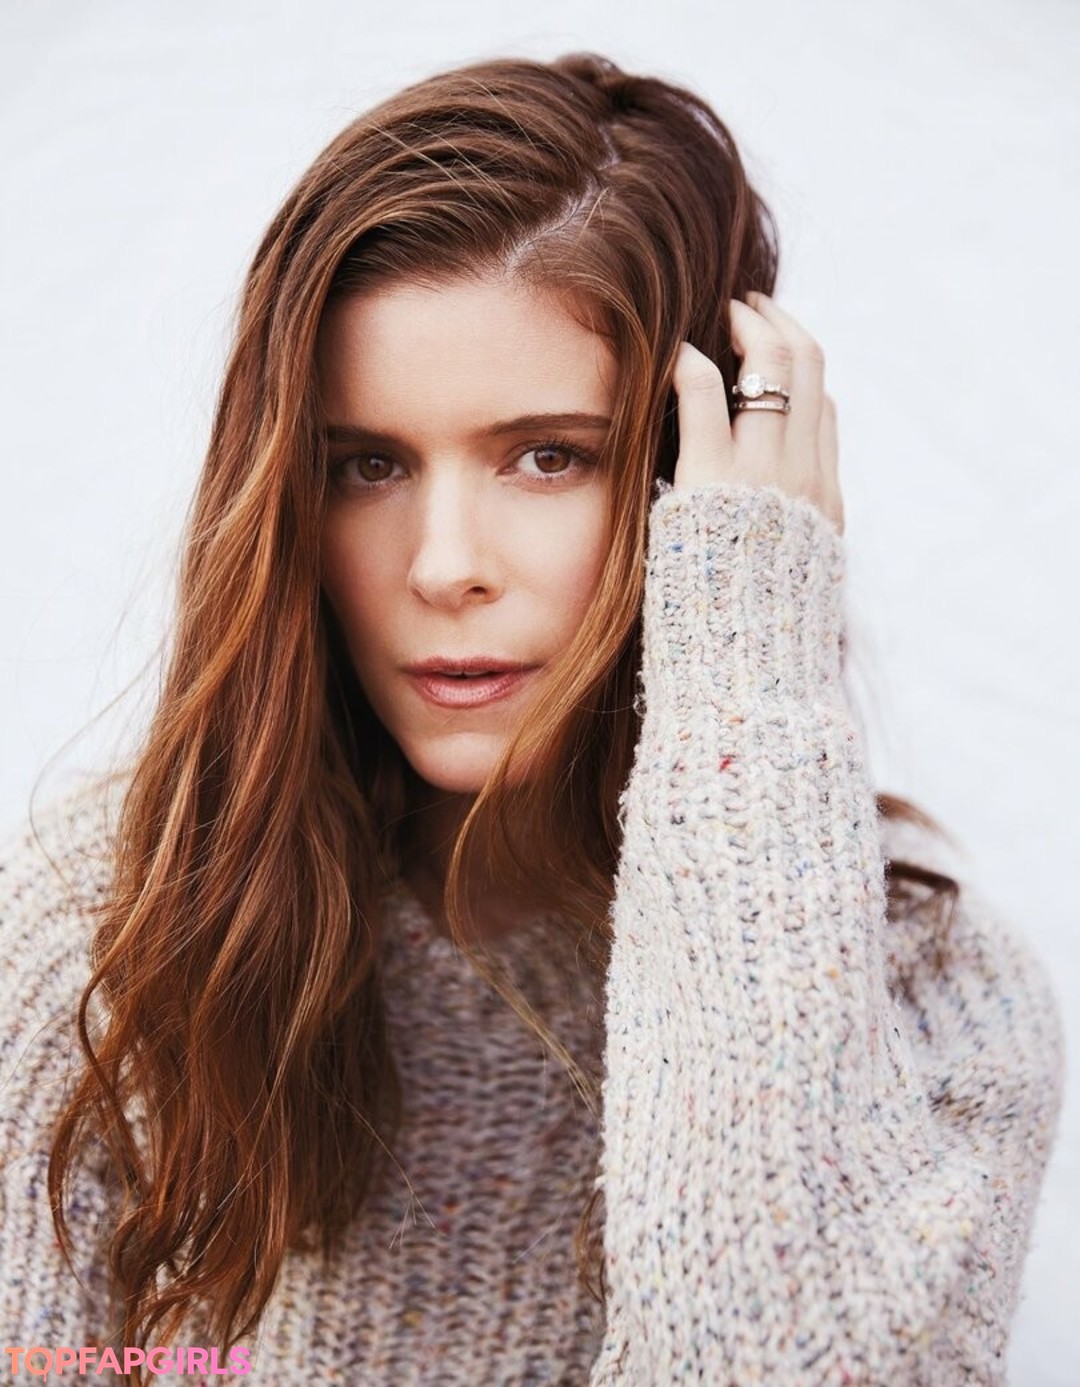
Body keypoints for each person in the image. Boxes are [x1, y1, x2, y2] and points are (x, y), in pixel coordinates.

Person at [0, 51, 1064, 1386]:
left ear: (702, 473)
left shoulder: (932, 1004)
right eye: (366, 465)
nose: (444, 565)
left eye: (549, 456)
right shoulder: (117, 942)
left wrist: (746, 671)